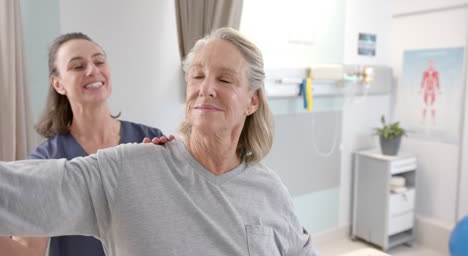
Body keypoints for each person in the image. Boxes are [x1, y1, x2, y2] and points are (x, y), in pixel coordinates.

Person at [0, 27, 317, 256]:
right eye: (197, 76)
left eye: (225, 79)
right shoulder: (127, 168)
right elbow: (15, 196)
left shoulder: (271, 192)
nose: (205, 88)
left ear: (252, 101)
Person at [0, 32, 167, 256]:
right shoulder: (46, 159)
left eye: (99, 61)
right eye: (77, 66)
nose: (92, 70)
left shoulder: (149, 140)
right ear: (58, 84)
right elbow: (29, 250)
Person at [419, 59, 441, 124]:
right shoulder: (425, 72)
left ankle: (433, 120)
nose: (431, 65)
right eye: (430, 63)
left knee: (433, 106)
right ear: (428, 64)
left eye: (432, 63)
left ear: (433, 64)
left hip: (433, 90)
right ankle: (423, 119)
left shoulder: (436, 73)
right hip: (426, 90)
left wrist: (439, 90)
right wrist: (420, 89)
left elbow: (437, 82)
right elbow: (422, 81)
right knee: (424, 105)